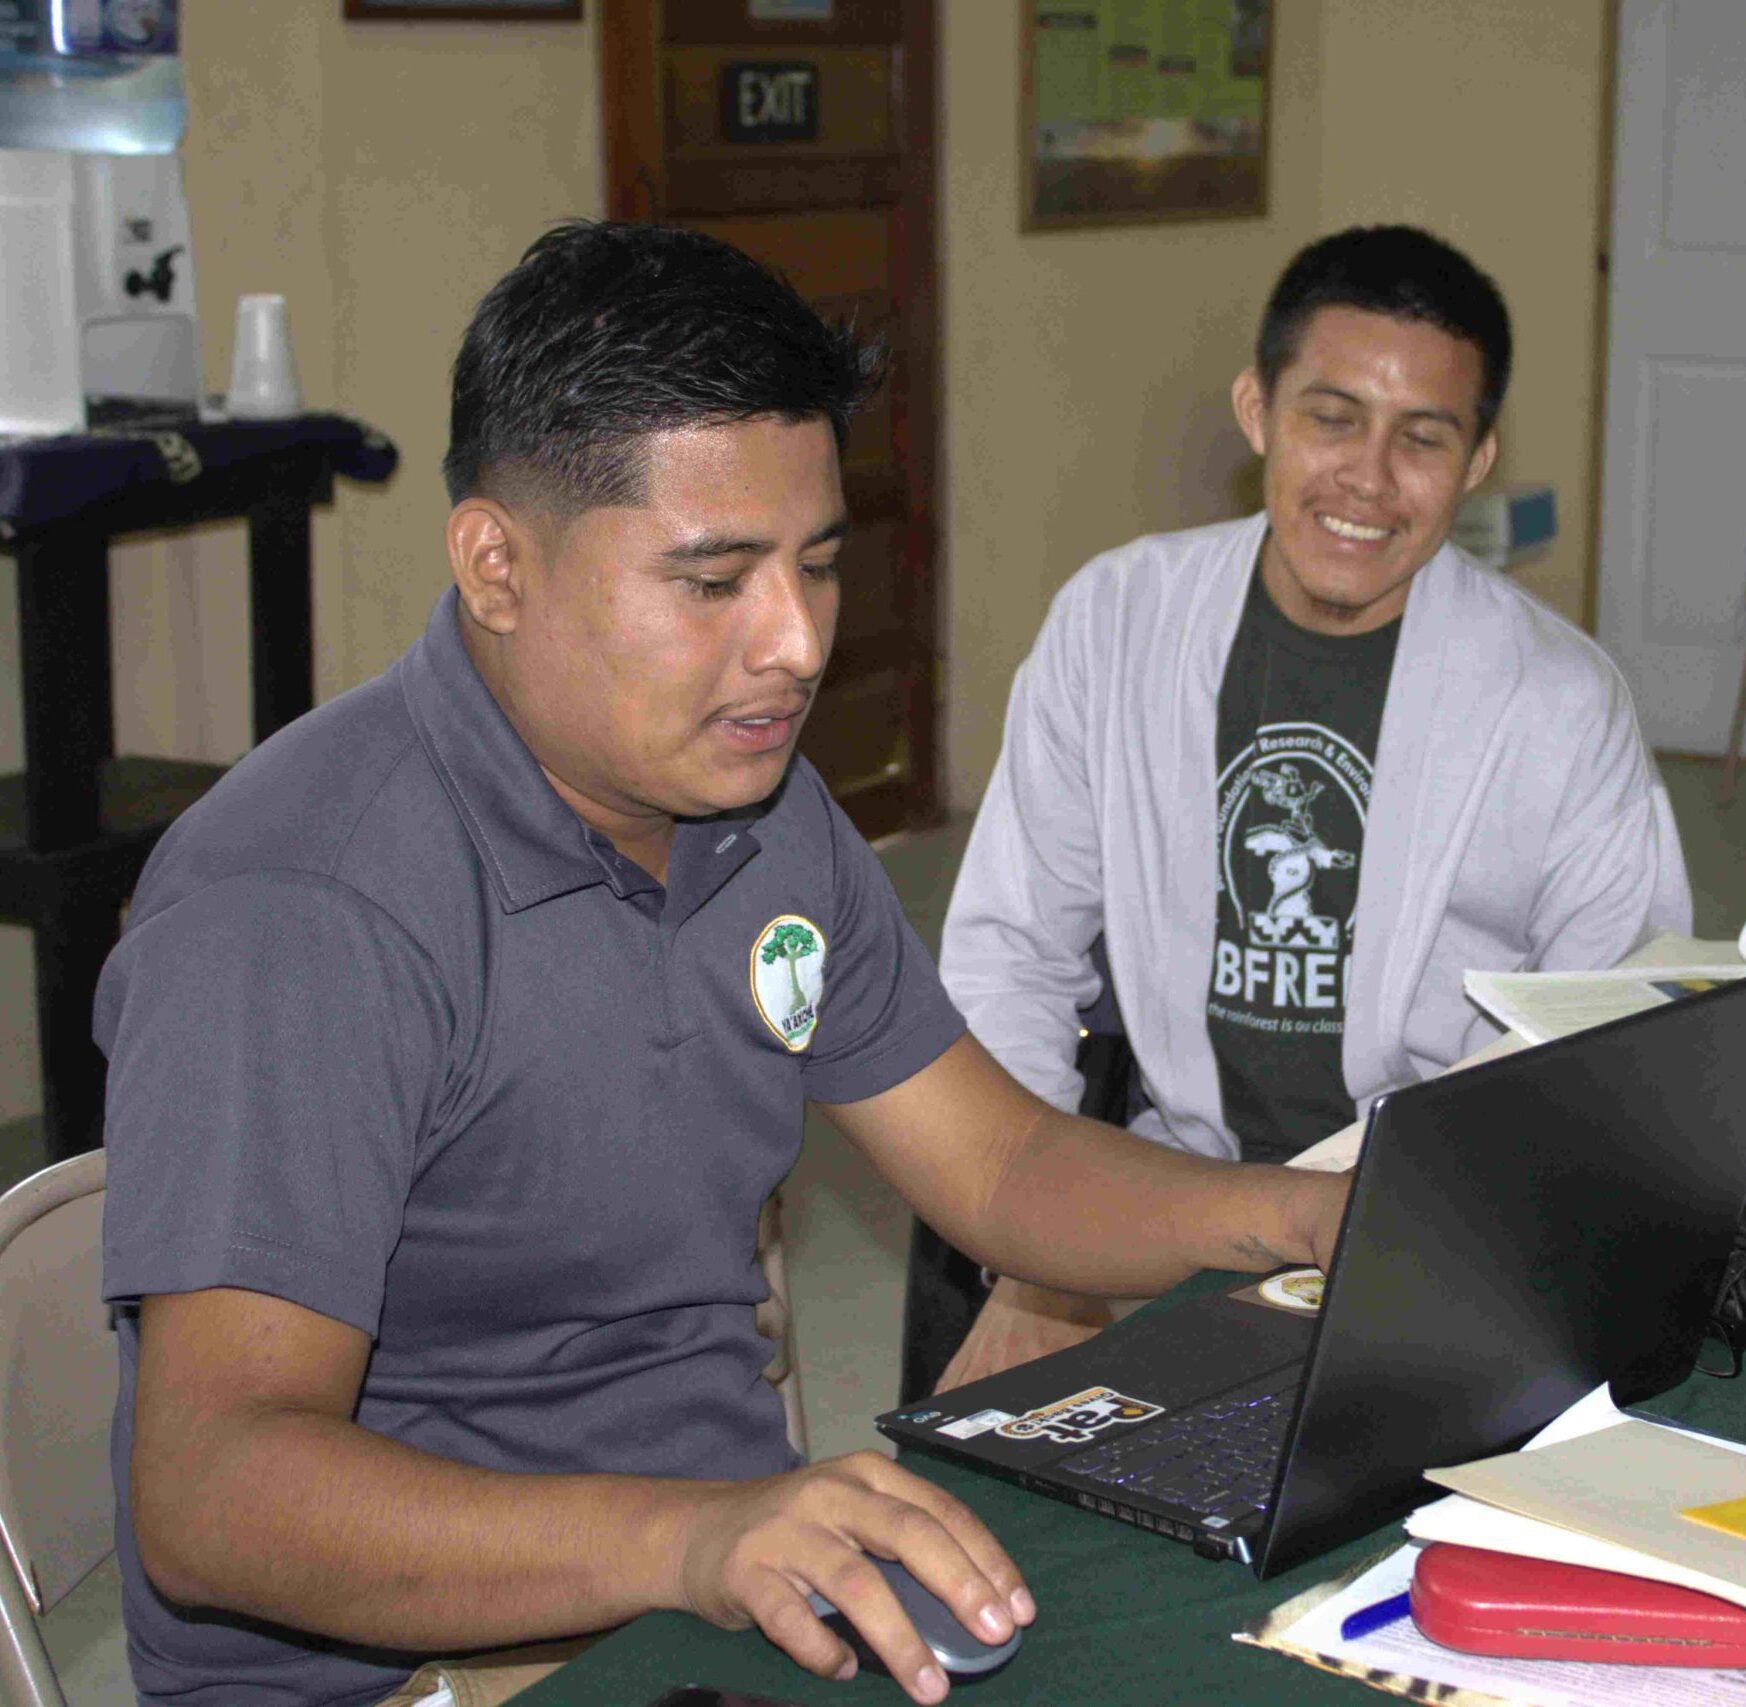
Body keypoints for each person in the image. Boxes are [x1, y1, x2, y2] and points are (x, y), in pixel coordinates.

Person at [93, 222, 1349, 1707]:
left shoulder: (752, 809)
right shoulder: (303, 906)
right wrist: (694, 1536)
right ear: (497, 563)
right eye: (714, 582)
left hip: (717, 1593)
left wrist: (1300, 1213)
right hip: (426, 1663)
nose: (798, 642)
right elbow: (213, 1495)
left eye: (817, 565)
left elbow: (998, 1165)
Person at [932, 225, 1692, 1391]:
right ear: (1257, 412)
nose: (1366, 480)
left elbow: (1618, 1028)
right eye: (1330, 418)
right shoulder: (1118, 623)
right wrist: (1040, 1262)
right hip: (1167, 1202)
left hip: (1430, 1224)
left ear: (1476, 459)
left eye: (1420, 438)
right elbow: (1010, 952)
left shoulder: (1557, 701)